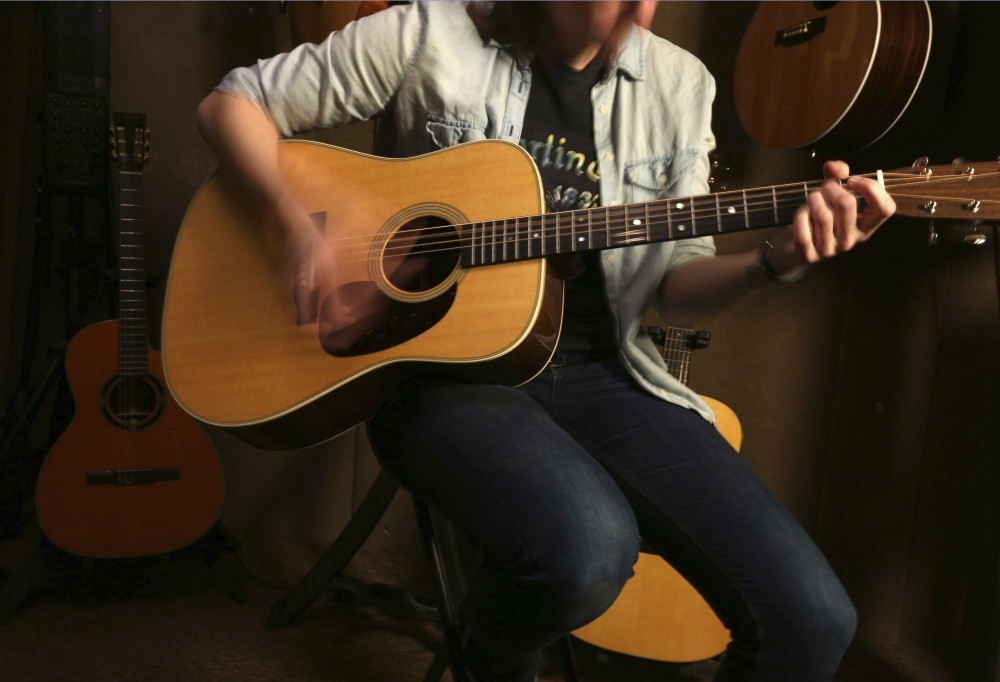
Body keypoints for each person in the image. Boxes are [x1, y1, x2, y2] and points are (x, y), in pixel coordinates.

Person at [196, 2, 896, 680]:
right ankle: (494, 663)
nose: (635, 13)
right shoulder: (426, 32)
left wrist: (774, 261)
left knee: (813, 620)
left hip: (608, 372)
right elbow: (231, 104)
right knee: (584, 551)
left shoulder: (682, 82)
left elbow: (674, 283)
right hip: (438, 374)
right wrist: (296, 230)